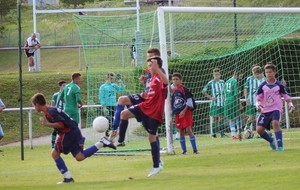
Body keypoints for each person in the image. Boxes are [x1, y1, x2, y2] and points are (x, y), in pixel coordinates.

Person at [31, 93, 116, 184]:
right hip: (74, 131)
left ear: (37, 104)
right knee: (80, 157)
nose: (34, 107)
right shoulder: (50, 110)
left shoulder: (50, 112)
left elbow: (61, 124)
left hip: (68, 133)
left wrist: (47, 124)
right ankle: (102, 142)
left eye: (33, 105)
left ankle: (68, 178)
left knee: (55, 154)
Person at [117, 56, 168, 177]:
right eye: (149, 66)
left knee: (152, 138)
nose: (149, 68)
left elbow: (166, 82)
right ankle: (120, 141)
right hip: (145, 106)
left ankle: (156, 166)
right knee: (123, 114)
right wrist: (144, 90)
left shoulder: (159, 77)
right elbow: (151, 94)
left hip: (154, 113)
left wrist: (158, 69)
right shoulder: (151, 79)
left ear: (157, 66)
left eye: (151, 66)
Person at [108, 47, 161, 142]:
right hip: (144, 97)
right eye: (148, 57)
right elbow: (150, 84)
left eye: (151, 57)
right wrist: (144, 82)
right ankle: (115, 130)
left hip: (150, 102)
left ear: (157, 58)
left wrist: (150, 94)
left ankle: (156, 151)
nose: (149, 59)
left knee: (151, 132)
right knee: (121, 100)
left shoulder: (160, 70)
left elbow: (162, 86)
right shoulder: (149, 69)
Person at [256, 63, 295, 151]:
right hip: (265, 110)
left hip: (276, 109)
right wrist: (258, 105)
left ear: (274, 72)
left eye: (270, 72)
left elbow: (286, 97)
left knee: (275, 123)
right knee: (259, 130)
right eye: (266, 72)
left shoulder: (279, 85)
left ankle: (280, 146)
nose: (268, 74)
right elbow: (258, 98)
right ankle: (271, 140)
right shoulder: (262, 85)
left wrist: (291, 105)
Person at [171, 72, 198, 154]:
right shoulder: (174, 90)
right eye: (173, 79)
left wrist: (184, 111)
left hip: (186, 112)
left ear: (180, 80)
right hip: (178, 113)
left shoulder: (184, 89)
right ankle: (184, 151)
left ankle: (195, 150)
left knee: (188, 129)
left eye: (177, 79)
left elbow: (189, 101)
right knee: (181, 130)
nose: (175, 81)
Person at [202, 68, 226, 138]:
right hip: (215, 103)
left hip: (222, 103)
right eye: (215, 74)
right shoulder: (210, 83)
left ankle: (222, 134)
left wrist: (224, 97)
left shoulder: (222, 82)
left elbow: (224, 91)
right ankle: (213, 134)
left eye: (218, 74)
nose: (217, 76)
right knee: (214, 118)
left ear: (220, 75)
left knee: (222, 118)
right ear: (213, 75)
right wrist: (210, 97)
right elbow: (203, 91)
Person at [244, 66, 266, 131]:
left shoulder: (265, 79)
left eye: (254, 73)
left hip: (260, 102)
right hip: (251, 101)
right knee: (251, 117)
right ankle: (246, 128)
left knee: (259, 117)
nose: (253, 75)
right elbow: (245, 89)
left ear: (257, 73)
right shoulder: (249, 79)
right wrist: (246, 99)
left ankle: (259, 131)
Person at [223, 71, 242, 140]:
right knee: (238, 117)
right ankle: (239, 133)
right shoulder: (235, 82)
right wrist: (239, 104)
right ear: (239, 75)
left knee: (231, 118)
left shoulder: (227, 81)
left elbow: (223, 93)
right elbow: (236, 94)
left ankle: (233, 135)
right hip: (233, 101)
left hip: (227, 101)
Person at [50, 80, 66, 148]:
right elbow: (52, 104)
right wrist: (52, 113)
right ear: (60, 86)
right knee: (56, 129)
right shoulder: (56, 95)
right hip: (57, 114)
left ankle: (63, 143)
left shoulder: (66, 95)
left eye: (66, 86)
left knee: (64, 129)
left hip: (64, 114)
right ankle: (53, 143)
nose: (65, 87)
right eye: (63, 86)